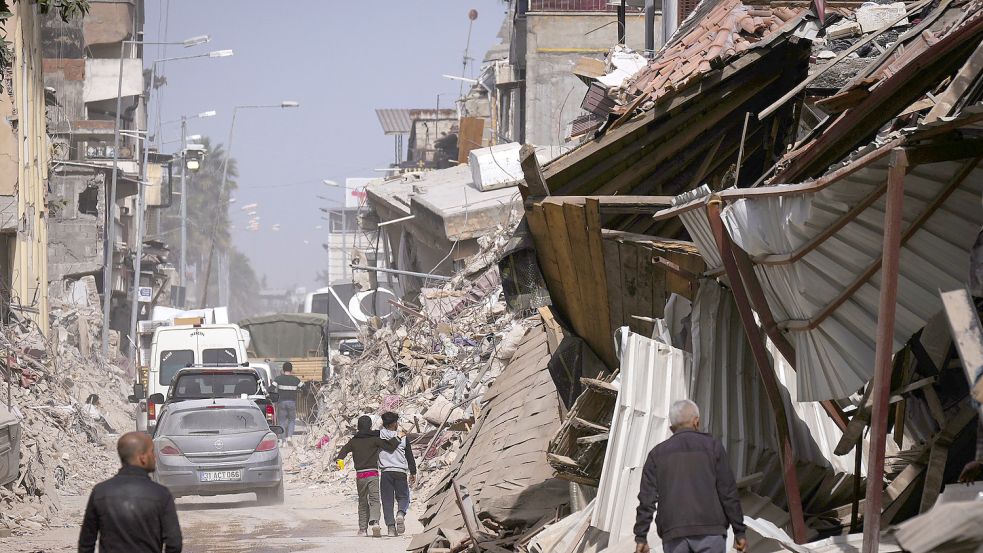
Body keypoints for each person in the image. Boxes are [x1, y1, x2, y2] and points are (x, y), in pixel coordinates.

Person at [635, 400, 746, 553]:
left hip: (674, 534)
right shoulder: (713, 447)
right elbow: (728, 492)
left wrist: (641, 537)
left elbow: (647, 499)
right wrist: (739, 531)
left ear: (671, 428)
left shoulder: (657, 454)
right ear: (696, 422)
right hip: (710, 532)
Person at [78, 432, 182, 553]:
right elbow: (174, 543)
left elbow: (86, 543)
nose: (154, 457)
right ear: (142, 458)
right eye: (151, 451)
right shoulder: (161, 494)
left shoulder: (100, 492)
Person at [335, 415, 401, 537]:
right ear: (370, 426)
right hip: (373, 474)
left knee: (362, 501)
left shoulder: (354, 441)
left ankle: (363, 529)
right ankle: (375, 522)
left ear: (358, 427)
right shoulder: (374, 439)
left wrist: (340, 462)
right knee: (375, 499)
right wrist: (398, 437)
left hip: (360, 475)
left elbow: (342, 452)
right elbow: (390, 447)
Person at [379, 411, 418, 536]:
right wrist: (413, 472)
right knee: (403, 496)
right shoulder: (403, 437)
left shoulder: (379, 436)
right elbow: (409, 456)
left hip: (386, 473)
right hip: (400, 471)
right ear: (395, 423)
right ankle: (400, 513)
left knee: (387, 500)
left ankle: (391, 528)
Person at [272, 362, 302, 442]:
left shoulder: (278, 379)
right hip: (292, 402)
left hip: (281, 402)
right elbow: (304, 388)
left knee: (281, 421)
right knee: (292, 420)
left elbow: (271, 388)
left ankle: (283, 441)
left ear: (283, 369)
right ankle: (289, 437)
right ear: (291, 370)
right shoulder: (296, 380)